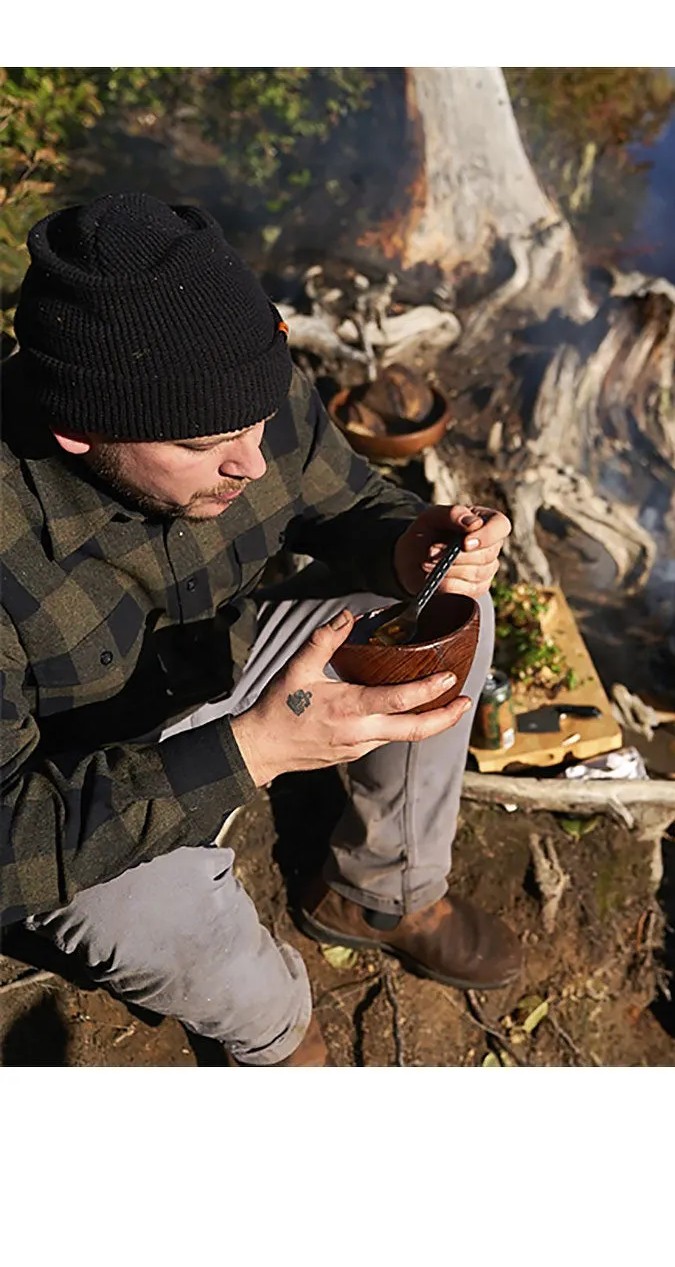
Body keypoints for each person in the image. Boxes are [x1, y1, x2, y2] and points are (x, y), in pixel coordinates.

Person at [0, 192, 520, 1066]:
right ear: (79, 431)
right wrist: (251, 753)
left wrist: (405, 546)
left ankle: (380, 891)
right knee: (178, 929)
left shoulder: (244, 387)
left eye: (258, 423)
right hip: (70, 786)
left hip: (227, 666)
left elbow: (345, 500)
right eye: (209, 446)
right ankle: (281, 1041)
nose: (249, 460)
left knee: (450, 616)